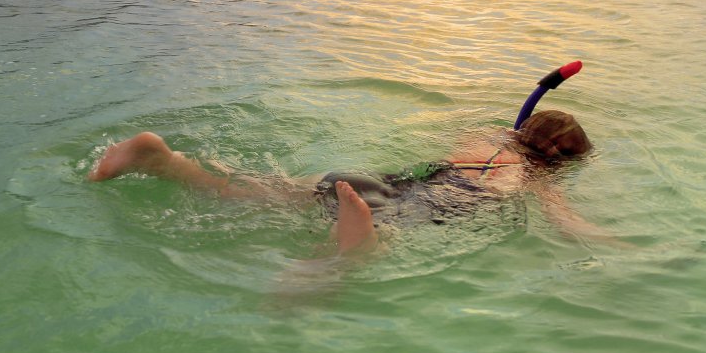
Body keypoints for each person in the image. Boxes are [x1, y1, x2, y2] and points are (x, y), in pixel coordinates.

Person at [88, 110, 613, 256]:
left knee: (254, 190)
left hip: (387, 178)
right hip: (440, 200)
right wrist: (619, 244)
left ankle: (162, 160)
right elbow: (568, 224)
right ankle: (358, 238)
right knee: (376, 246)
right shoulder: (534, 177)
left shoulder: (480, 139)